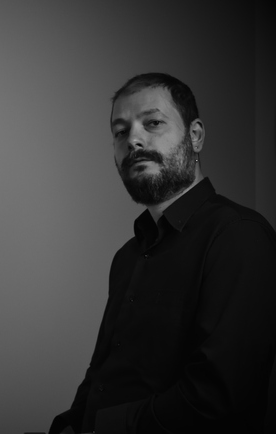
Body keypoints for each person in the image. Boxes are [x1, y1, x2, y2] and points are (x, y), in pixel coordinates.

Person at [48, 73, 276, 434]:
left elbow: (219, 400)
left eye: (152, 123)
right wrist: (71, 424)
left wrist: (102, 428)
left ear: (195, 136)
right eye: (120, 132)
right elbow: (103, 374)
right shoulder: (126, 257)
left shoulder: (238, 236)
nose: (133, 140)